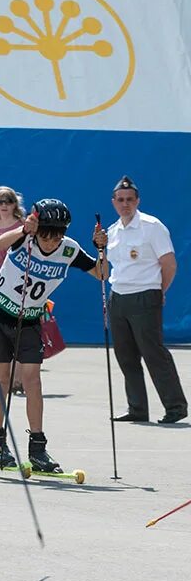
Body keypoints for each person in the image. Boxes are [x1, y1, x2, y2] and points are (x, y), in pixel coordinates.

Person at [0, 199, 108, 472]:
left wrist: (101, 249)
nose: (52, 241)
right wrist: (25, 230)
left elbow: (102, 274)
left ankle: (38, 449)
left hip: (29, 320)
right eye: (47, 234)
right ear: (37, 229)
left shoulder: (69, 250)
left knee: (32, 381)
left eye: (58, 235)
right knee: (2, 381)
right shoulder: (24, 239)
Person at [105, 176, 186, 424]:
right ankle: (137, 407)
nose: (125, 204)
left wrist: (159, 290)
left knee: (153, 353)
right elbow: (112, 267)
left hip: (144, 295)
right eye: (120, 200)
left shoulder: (152, 226)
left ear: (137, 201)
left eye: (130, 200)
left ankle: (175, 406)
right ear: (114, 202)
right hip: (118, 296)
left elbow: (169, 263)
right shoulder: (112, 231)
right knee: (126, 356)